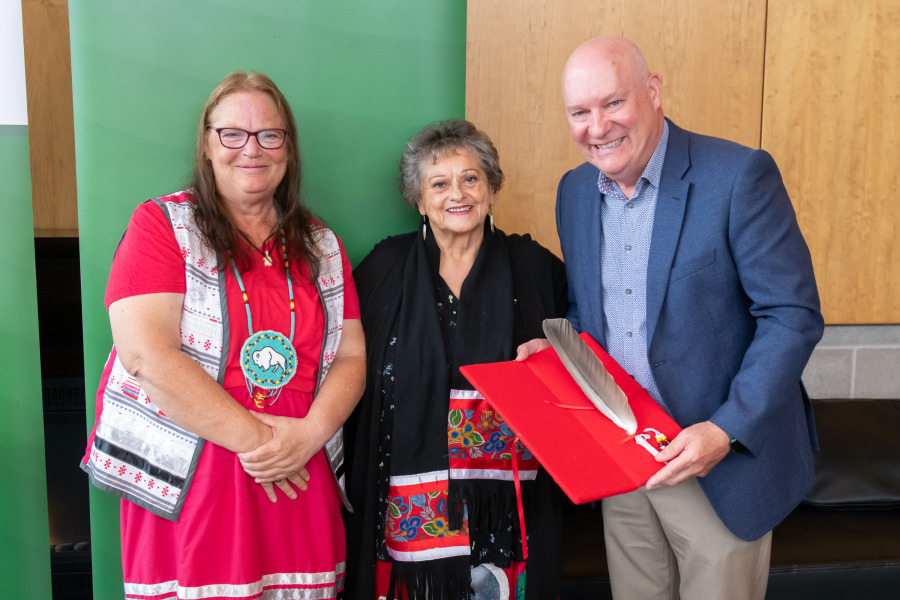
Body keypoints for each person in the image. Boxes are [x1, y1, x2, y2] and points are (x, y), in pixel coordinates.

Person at [517, 37, 824, 599]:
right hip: (623, 458)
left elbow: (792, 315)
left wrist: (724, 430)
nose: (597, 126)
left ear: (653, 92)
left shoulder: (738, 176)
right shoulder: (575, 192)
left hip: (717, 465)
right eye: (579, 112)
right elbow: (591, 313)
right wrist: (562, 355)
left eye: (613, 103)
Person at [81, 71, 366, 600]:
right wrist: (262, 444)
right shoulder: (162, 225)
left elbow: (351, 355)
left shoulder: (322, 243)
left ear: (289, 147)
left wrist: (304, 437)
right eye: (232, 133)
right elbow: (145, 354)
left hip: (300, 469)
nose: (251, 149)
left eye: (269, 135)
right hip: (198, 471)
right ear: (207, 145)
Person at [344, 119, 568, 600]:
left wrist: (558, 353)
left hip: (510, 513)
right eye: (439, 183)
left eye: (471, 178)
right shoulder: (385, 269)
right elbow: (345, 361)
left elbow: (579, 348)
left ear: (490, 188)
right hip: (405, 512)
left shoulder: (534, 268)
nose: (457, 194)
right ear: (419, 201)